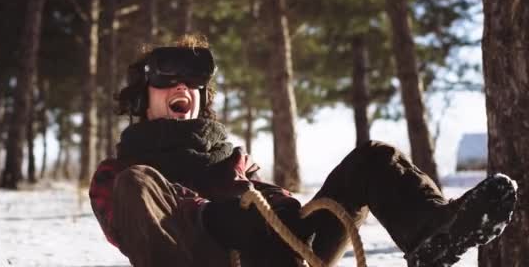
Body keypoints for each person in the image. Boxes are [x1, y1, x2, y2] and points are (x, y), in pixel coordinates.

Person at [89, 35, 517, 267]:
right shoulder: (120, 170)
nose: (181, 87)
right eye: (166, 80)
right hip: (205, 258)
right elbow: (125, 227)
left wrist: (277, 204)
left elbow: (272, 213)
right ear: (141, 99)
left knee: (372, 158)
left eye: (192, 82)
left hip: (284, 252)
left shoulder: (231, 159)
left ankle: (432, 236)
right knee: (137, 183)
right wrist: (208, 214)